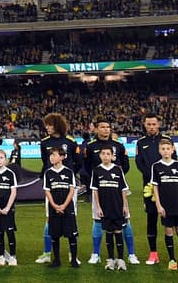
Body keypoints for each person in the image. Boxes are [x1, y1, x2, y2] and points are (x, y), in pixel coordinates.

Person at [83, 118, 137, 265]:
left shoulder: (118, 146)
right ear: (96, 129)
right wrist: (100, 178)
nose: (106, 129)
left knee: (125, 220)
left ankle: (131, 254)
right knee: (97, 220)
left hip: (117, 190)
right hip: (100, 190)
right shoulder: (90, 146)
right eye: (102, 127)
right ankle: (96, 253)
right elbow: (87, 166)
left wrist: (114, 178)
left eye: (108, 127)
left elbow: (125, 166)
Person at [35, 112, 81, 264]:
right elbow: (45, 162)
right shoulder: (44, 143)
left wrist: (70, 175)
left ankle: (72, 255)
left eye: (50, 125)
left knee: (71, 219)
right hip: (52, 186)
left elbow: (78, 162)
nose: (47, 128)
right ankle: (48, 253)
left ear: (57, 125)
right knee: (49, 219)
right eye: (46, 125)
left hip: (68, 187)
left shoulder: (70, 142)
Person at [151, 136, 178, 270]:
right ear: (159, 151)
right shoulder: (156, 166)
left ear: (172, 150)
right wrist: (158, 205)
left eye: (168, 148)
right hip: (165, 205)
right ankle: (172, 259)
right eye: (163, 149)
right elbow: (155, 187)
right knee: (168, 231)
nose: (165, 151)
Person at [91, 145, 131, 270]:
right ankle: (110, 260)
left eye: (108, 154)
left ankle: (121, 260)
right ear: (100, 156)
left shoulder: (118, 170)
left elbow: (123, 189)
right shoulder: (97, 170)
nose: (105, 156)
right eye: (103, 153)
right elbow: (95, 191)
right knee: (108, 233)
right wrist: (98, 208)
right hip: (105, 208)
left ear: (113, 156)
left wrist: (125, 205)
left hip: (117, 206)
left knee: (118, 232)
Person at [134, 113, 167, 265]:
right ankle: (153, 253)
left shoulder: (166, 140)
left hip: (167, 185)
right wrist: (152, 176)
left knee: (171, 219)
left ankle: (177, 253)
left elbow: (173, 160)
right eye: (149, 124)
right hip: (149, 187)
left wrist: (161, 175)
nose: (152, 127)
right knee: (151, 218)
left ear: (158, 124)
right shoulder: (141, 143)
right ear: (144, 125)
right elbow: (139, 162)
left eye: (154, 124)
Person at [43, 145, 81, 268]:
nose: (51, 157)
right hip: (53, 208)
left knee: (71, 235)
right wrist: (54, 205)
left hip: (67, 208)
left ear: (62, 157)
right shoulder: (48, 173)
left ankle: (74, 259)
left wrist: (64, 205)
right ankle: (56, 260)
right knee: (55, 234)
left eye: (54, 155)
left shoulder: (69, 172)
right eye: (50, 155)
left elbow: (72, 190)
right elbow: (47, 191)